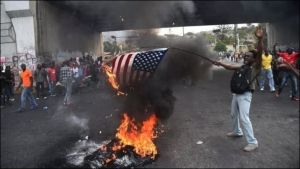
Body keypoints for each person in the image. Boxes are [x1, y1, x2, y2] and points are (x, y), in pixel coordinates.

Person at [213, 25, 263, 152]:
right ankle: (237, 131)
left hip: (246, 95)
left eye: (249, 56)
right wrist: (220, 63)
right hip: (237, 94)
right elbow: (230, 67)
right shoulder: (242, 66)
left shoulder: (256, 67)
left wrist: (260, 39)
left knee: (244, 118)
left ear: (254, 59)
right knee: (233, 114)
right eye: (246, 55)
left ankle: (253, 142)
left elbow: (259, 54)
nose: (246, 57)